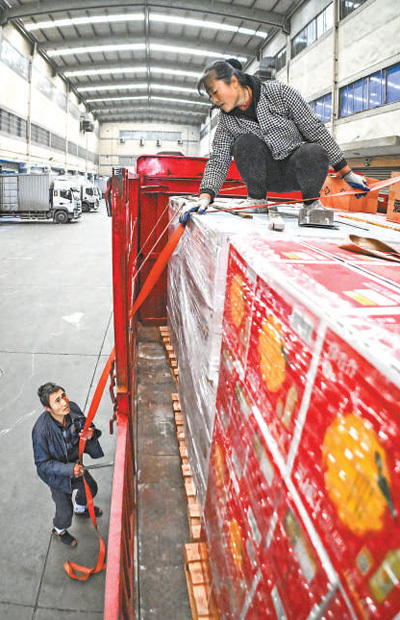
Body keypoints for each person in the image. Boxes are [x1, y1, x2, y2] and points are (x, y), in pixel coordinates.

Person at [180, 59, 369, 227]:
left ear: (234, 82)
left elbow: (315, 130)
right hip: (262, 177)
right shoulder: (227, 121)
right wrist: (205, 197)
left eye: (215, 92)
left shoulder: (278, 93)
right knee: (244, 143)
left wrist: (347, 173)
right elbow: (218, 159)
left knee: (314, 151)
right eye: (210, 96)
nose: (214, 100)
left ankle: (312, 204)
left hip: (297, 173)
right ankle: (256, 200)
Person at [32, 382, 104, 547]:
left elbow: (86, 423)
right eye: (57, 400)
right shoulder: (41, 431)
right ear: (47, 408)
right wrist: (69, 469)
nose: (64, 402)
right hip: (58, 477)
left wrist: (90, 432)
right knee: (64, 512)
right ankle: (59, 530)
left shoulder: (72, 408)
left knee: (91, 489)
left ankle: (80, 508)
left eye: (63, 395)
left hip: (76, 466)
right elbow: (42, 465)